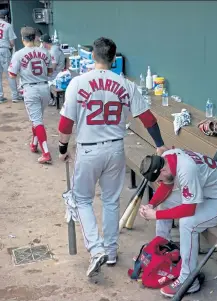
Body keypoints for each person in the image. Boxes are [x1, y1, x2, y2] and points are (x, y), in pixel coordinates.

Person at [57, 37, 168, 277]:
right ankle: (111, 251)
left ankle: (96, 249)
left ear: (94, 57)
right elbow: (149, 119)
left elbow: (66, 123)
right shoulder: (126, 84)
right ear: (114, 59)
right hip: (116, 148)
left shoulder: (78, 82)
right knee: (110, 201)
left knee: (82, 200)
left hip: (88, 149)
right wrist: (160, 145)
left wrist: (63, 149)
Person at [138, 148, 217, 298]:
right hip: (208, 194)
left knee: (188, 223)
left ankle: (189, 280)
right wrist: (152, 204)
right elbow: (167, 185)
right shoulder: (166, 158)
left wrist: (155, 215)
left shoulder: (187, 169)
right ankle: (164, 249)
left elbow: (189, 210)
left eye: (159, 179)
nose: (159, 182)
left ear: (162, 169)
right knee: (165, 202)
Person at [8, 27, 53, 164]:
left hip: (30, 89)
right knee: (37, 118)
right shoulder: (45, 51)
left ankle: (46, 153)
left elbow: (12, 74)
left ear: (22, 39)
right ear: (35, 38)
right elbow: (50, 72)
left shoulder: (19, 54)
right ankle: (34, 144)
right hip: (45, 88)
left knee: (37, 121)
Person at [0, 9, 22, 104]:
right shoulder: (7, 25)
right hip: (3, 50)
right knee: (10, 73)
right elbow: (12, 43)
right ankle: (15, 96)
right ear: (6, 17)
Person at [40, 33, 66, 106]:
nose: (41, 44)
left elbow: (53, 67)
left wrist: (45, 73)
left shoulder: (54, 50)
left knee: (42, 79)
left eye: (42, 42)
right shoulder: (52, 48)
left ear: (44, 43)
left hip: (58, 74)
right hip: (56, 72)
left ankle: (51, 100)